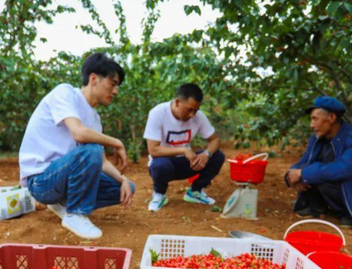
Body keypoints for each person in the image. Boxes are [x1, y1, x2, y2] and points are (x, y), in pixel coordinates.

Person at [18, 53, 134, 239]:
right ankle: (76, 214)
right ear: (94, 79)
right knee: (91, 150)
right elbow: (79, 132)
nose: (115, 91)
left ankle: (62, 203)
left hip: (62, 177)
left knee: (125, 187)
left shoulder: (95, 119)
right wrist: (116, 142)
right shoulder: (65, 93)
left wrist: (122, 179)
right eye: (113, 84)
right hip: (41, 181)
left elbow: (101, 161)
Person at [285, 96, 352, 229]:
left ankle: (347, 214)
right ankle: (317, 207)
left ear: (331, 118)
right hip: (329, 188)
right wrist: (291, 174)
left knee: (319, 174)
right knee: (311, 172)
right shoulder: (317, 137)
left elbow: (342, 170)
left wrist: (303, 173)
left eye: (315, 119)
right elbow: (305, 161)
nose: (312, 125)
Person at [144, 83, 225, 212]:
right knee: (160, 165)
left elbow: (215, 140)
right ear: (177, 102)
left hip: (188, 163)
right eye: (189, 109)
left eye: (196, 110)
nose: (192, 114)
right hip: (164, 164)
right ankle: (159, 194)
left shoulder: (198, 117)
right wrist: (184, 149)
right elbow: (153, 150)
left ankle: (195, 192)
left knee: (217, 156)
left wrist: (206, 154)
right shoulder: (158, 113)